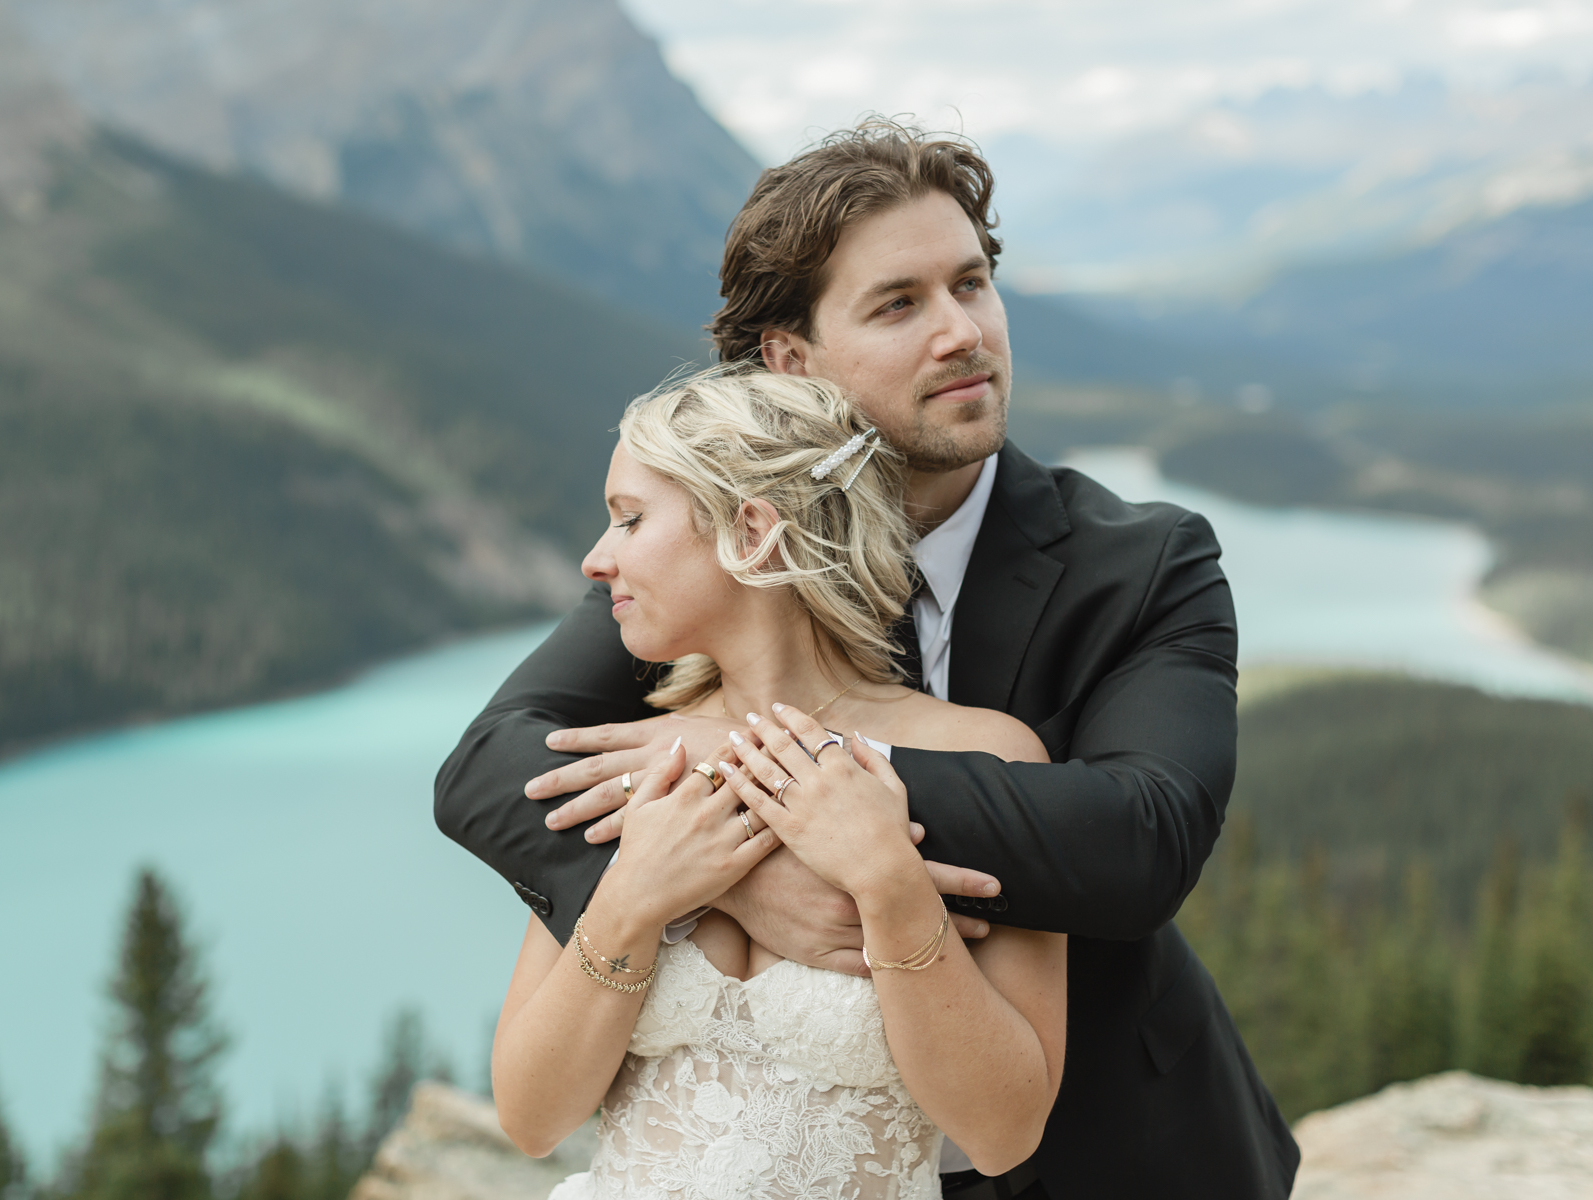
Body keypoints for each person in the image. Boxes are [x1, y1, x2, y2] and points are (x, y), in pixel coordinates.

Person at [438, 120, 1299, 1198]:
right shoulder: (708, 559)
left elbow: (1145, 838)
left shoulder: (1143, 563)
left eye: (974, 284)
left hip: (1109, 1155)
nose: (963, 332)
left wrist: (798, 786)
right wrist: (730, 874)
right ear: (790, 362)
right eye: (900, 304)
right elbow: (488, 767)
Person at [493, 370, 1067, 1197]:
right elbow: (530, 1117)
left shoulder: (983, 761)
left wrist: (888, 884)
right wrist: (631, 901)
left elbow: (1003, 1134)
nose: (596, 558)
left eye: (630, 519)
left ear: (752, 532)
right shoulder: (633, 759)